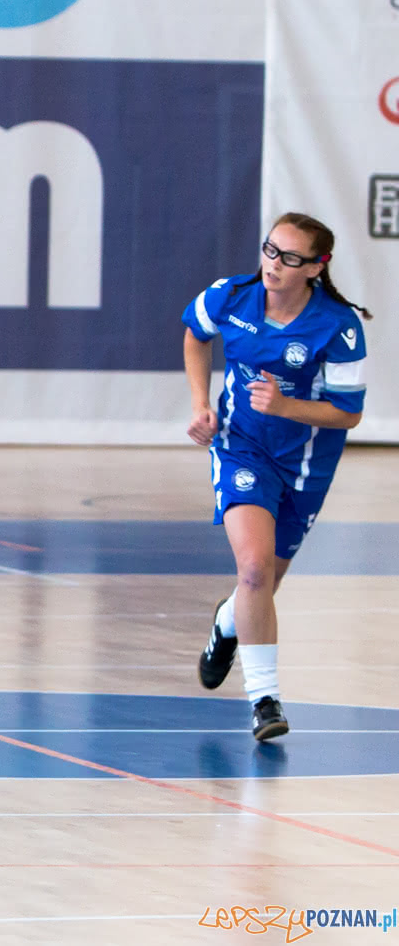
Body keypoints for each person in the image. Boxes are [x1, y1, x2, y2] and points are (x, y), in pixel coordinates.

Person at [183, 212, 370, 741]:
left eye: (290, 258)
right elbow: (196, 335)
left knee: (263, 583)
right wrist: (201, 404)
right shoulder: (231, 296)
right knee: (254, 569)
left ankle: (226, 625)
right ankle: (265, 701)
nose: (274, 265)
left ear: (316, 267)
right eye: (270, 250)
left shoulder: (338, 326)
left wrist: (287, 405)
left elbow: (348, 413)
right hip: (242, 448)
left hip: (307, 464)